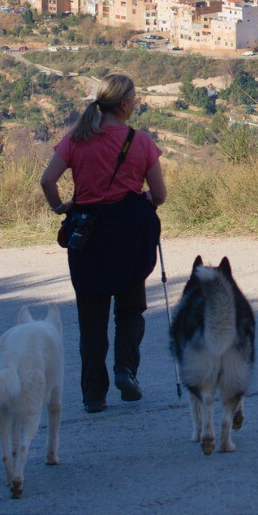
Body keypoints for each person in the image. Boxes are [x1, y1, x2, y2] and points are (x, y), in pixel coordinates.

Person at [40, 72, 167, 413]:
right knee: (130, 310)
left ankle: (93, 395)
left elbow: (47, 180)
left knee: (91, 320)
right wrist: (143, 204)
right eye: (135, 98)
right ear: (125, 105)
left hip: (89, 238)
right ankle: (126, 370)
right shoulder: (140, 142)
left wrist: (60, 207)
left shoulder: (76, 139)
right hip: (128, 238)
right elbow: (160, 195)